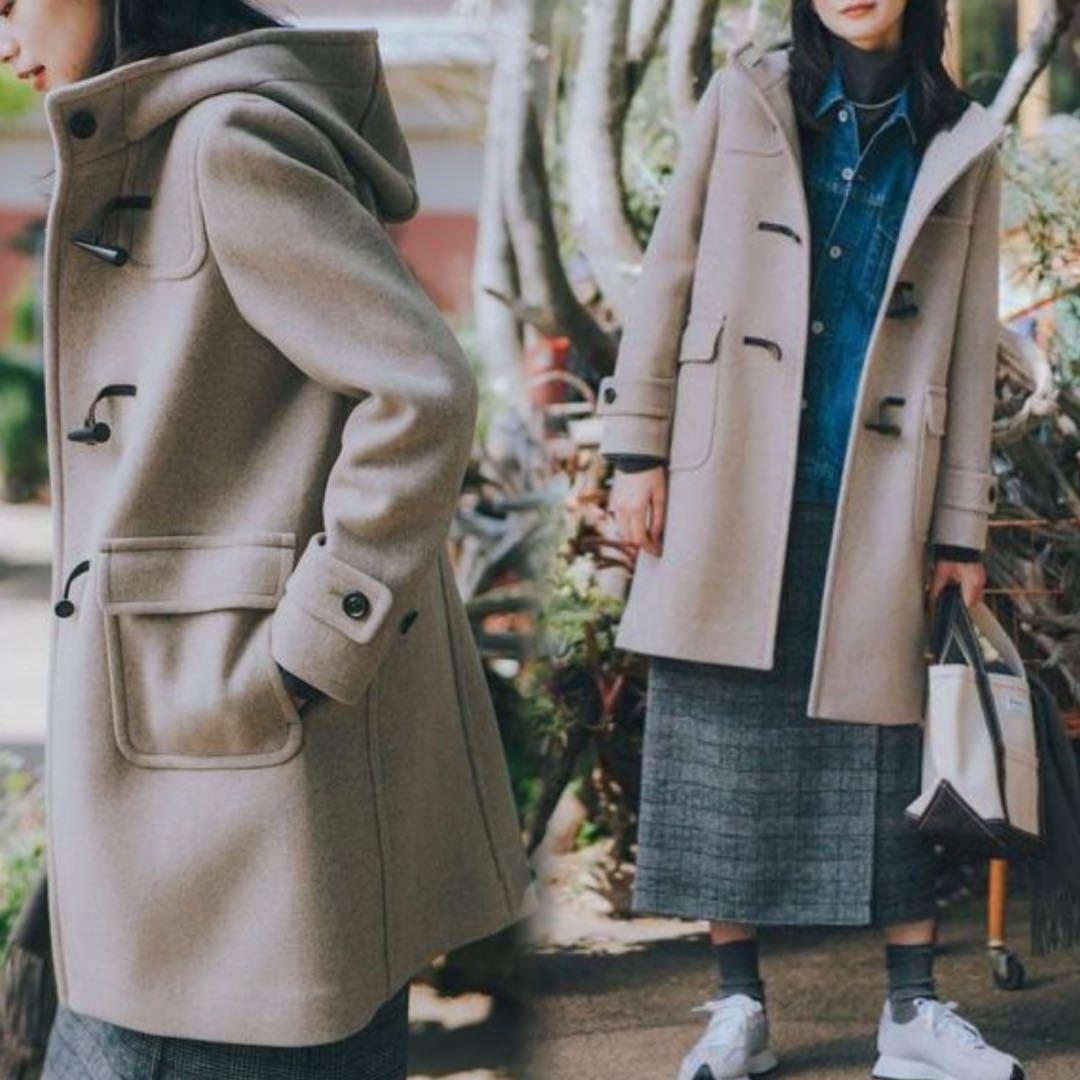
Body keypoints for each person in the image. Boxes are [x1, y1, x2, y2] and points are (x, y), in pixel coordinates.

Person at [0, 1, 534, 1076]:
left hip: (237, 778)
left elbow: (421, 391)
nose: (3, 39)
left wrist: (313, 647)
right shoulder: (165, 148)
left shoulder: (223, 146)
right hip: (203, 756)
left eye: (10, 1)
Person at [597, 2, 1022, 1079]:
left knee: (887, 751)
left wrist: (961, 525)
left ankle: (912, 1015)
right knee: (718, 743)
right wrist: (637, 451)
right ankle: (735, 1009)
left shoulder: (963, 137)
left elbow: (971, 344)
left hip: (883, 484)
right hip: (728, 473)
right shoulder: (744, 97)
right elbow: (669, 271)